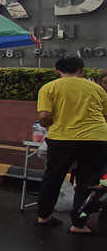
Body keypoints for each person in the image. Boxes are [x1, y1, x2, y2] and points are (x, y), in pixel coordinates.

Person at [35, 56, 107, 233]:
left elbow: (44, 116)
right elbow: (105, 115)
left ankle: (44, 216)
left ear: (57, 70)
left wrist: (47, 124)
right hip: (96, 139)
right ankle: (79, 224)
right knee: (87, 182)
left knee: (53, 178)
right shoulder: (97, 88)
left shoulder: (49, 87)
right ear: (81, 70)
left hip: (61, 139)